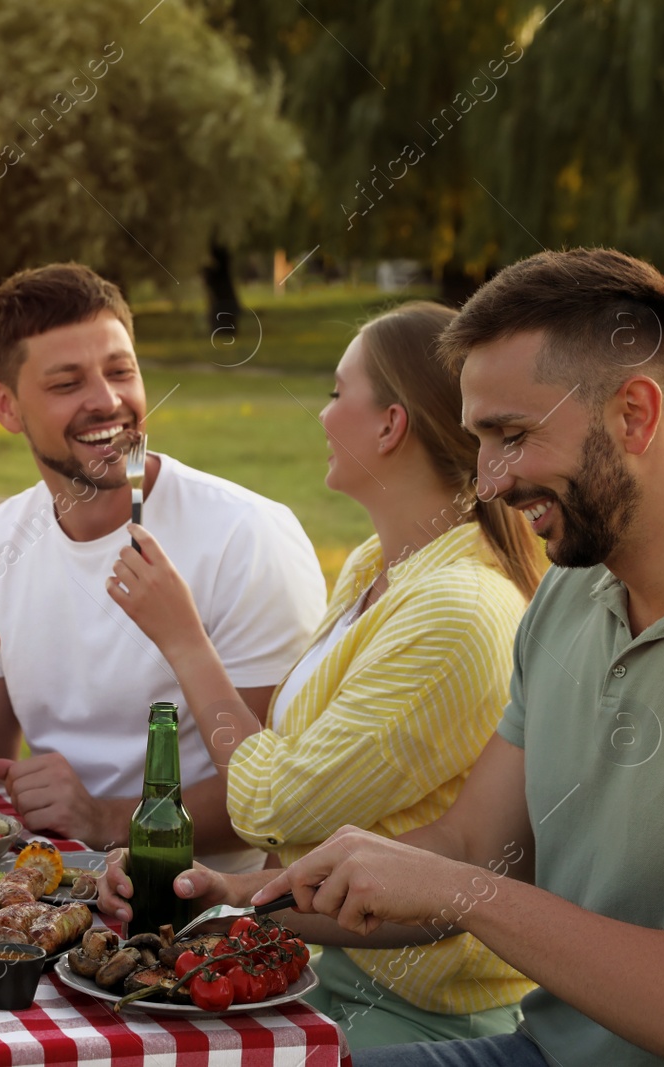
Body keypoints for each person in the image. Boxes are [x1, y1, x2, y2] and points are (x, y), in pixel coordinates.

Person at [144, 249, 664, 1066]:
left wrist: (473, 897)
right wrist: (231, 898)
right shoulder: (572, 596)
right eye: (479, 441)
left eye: (512, 436)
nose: (491, 482)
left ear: (635, 415)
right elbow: (471, 850)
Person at [98, 302, 542, 1047]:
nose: (322, 415)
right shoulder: (378, 567)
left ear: (390, 426)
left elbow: (275, 802)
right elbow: (309, 778)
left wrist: (184, 642)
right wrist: (237, 894)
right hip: (333, 965)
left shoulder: (456, 611)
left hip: (430, 1017)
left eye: (338, 393)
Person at [0, 262, 326, 873]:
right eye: (66, 383)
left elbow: (279, 792)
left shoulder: (247, 535)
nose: (107, 402)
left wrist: (105, 820)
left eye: (120, 371)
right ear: (6, 407)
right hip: (46, 888)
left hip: (194, 917)